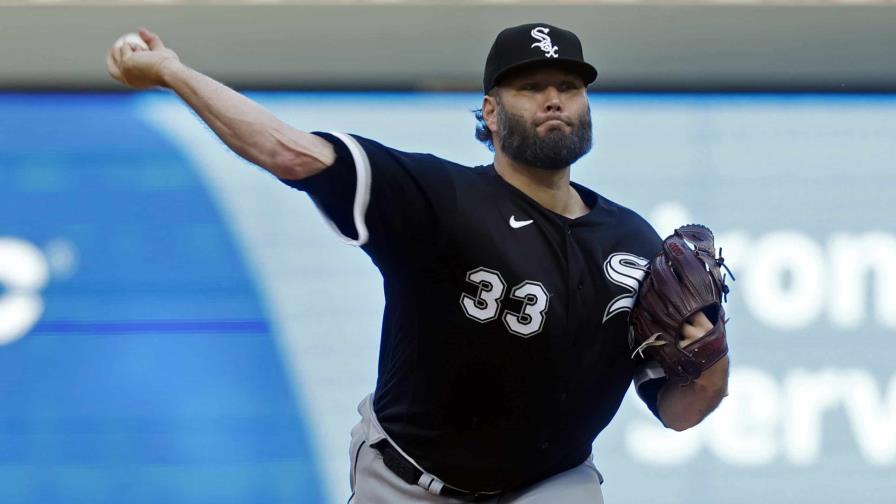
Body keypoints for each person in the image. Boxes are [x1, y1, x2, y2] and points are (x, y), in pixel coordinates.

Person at [107, 22, 729, 504]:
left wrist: (712, 362)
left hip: (549, 482)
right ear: (490, 112)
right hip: (410, 479)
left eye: (568, 87)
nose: (553, 99)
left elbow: (680, 413)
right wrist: (171, 72)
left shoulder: (633, 242)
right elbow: (288, 152)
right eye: (530, 87)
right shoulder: (439, 198)